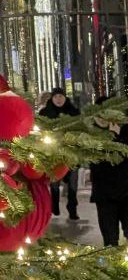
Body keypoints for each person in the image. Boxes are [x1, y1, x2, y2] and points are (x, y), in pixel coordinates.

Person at [90, 101, 128, 246]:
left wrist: (117, 135)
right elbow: (97, 160)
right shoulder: (90, 134)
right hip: (104, 195)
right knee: (110, 240)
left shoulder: (125, 131)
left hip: (126, 192)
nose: (102, 118)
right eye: (99, 114)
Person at [39, 87, 80, 218]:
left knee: (73, 181)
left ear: (65, 97)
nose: (58, 99)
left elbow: (80, 128)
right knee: (54, 181)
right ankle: (54, 204)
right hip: (53, 152)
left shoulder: (73, 112)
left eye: (61, 96)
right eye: (56, 96)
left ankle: (72, 207)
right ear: (52, 98)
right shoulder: (45, 112)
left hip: (71, 151)